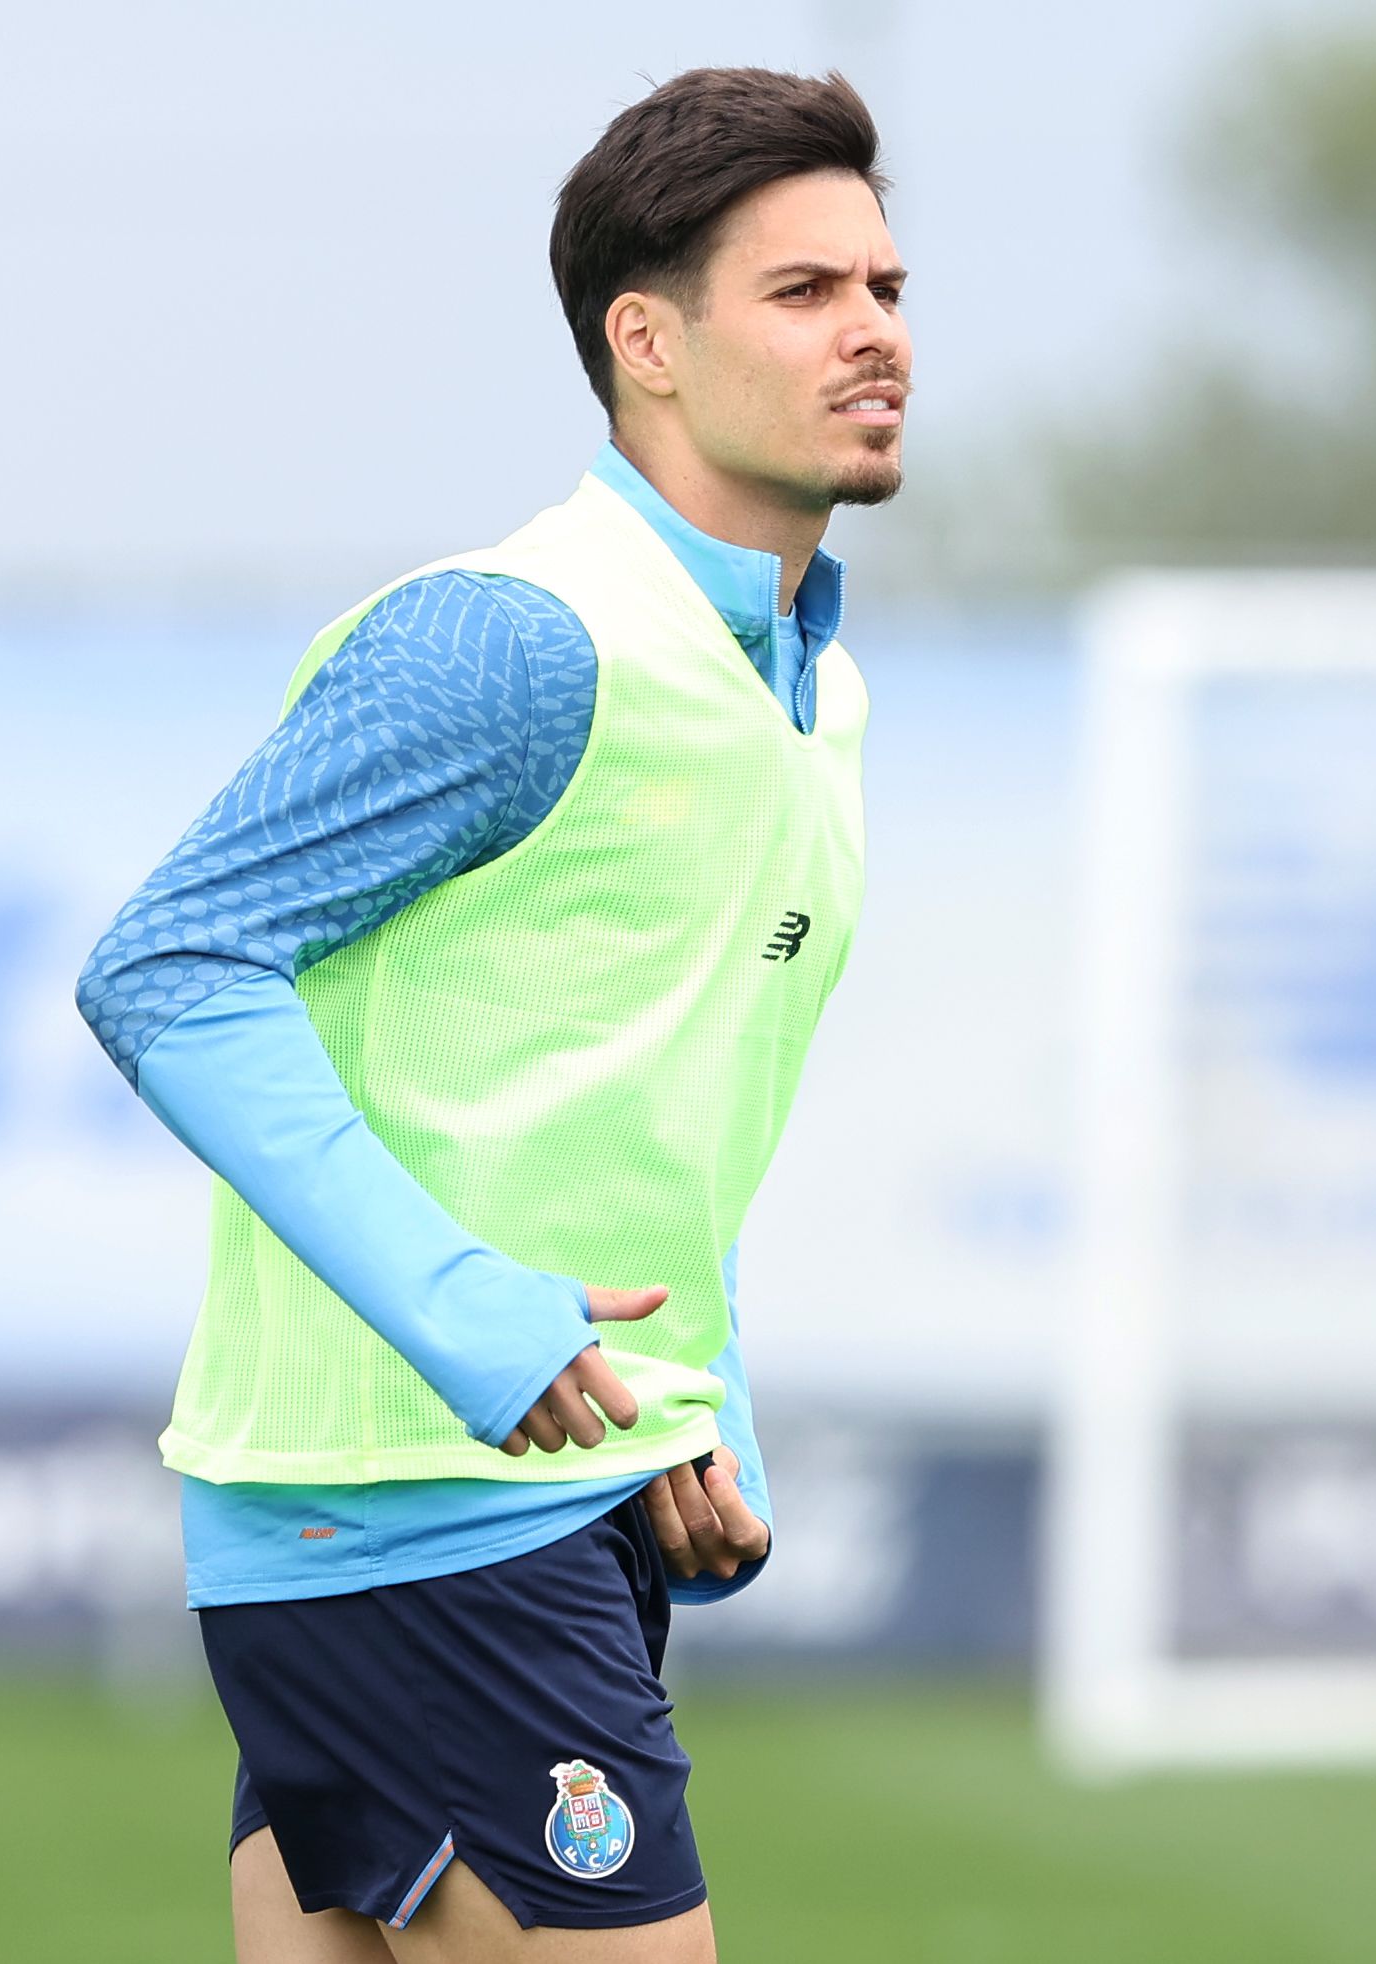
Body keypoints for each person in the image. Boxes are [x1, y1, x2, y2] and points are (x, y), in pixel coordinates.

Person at [73, 66, 909, 1962]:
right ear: (647, 343)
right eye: (803, 292)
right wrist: (475, 1326)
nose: (872, 331)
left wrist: (686, 1411)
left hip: (514, 1499)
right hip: (417, 1506)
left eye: (884, 286)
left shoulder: (810, 693)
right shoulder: (514, 637)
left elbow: (629, 1106)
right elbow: (167, 966)